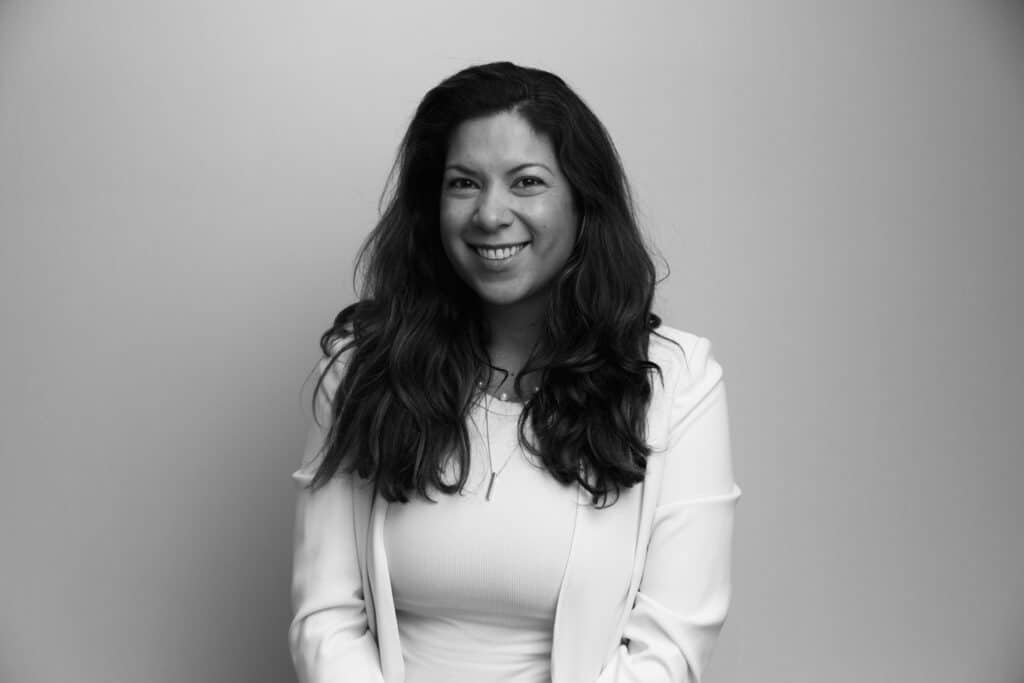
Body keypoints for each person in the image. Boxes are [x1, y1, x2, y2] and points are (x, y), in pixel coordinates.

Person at [288, 61, 741, 683]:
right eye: (463, 183)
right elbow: (326, 620)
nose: (489, 214)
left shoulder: (677, 381)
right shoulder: (361, 367)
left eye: (526, 182)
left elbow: (670, 647)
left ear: (583, 201)